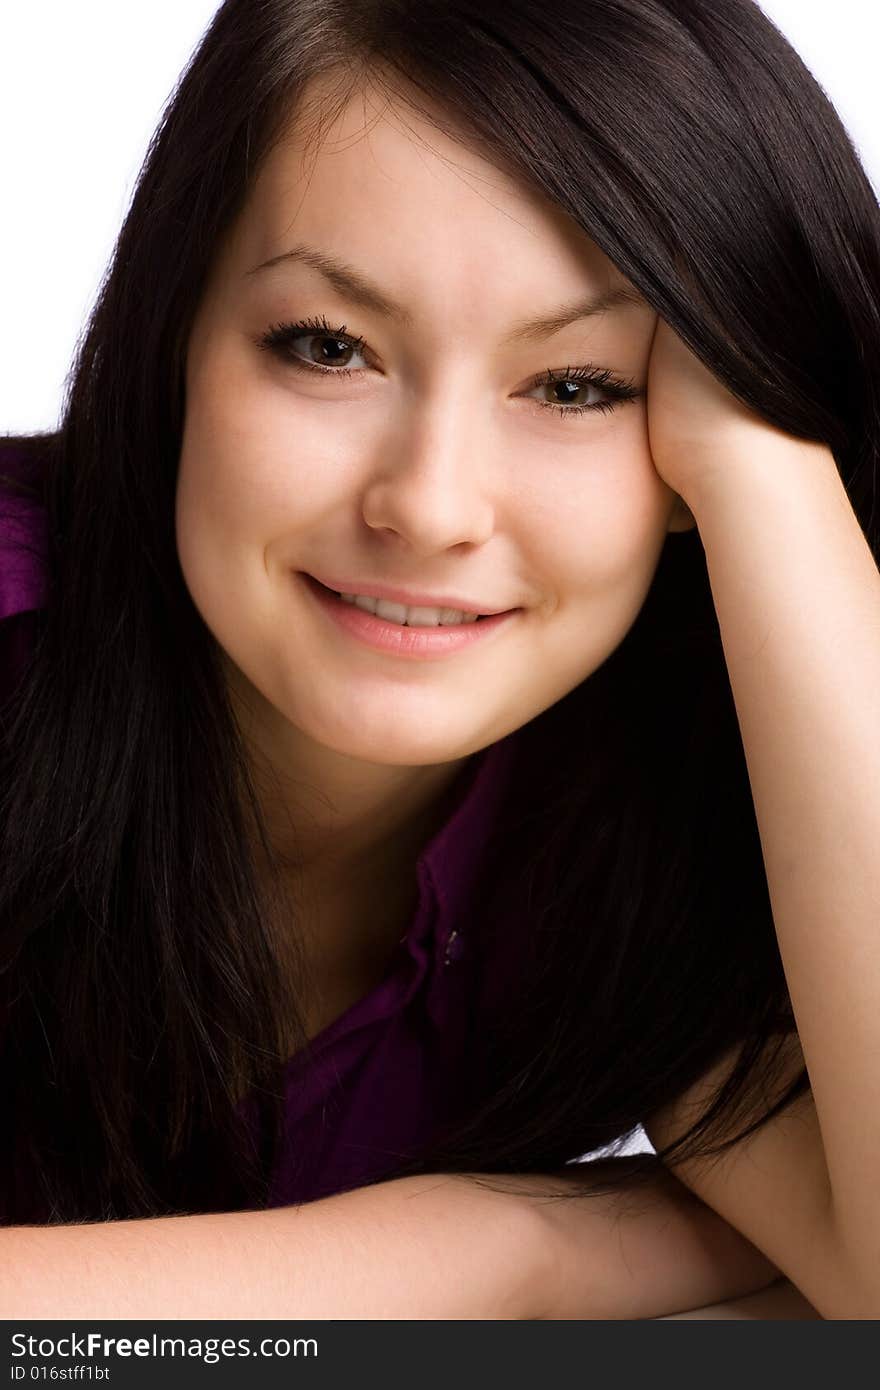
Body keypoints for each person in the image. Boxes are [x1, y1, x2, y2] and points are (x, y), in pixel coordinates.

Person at [0, 0, 877, 1320]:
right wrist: (516, 1249)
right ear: (175, 337)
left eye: (578, 384)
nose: (430, 504)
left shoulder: (624, 815)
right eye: (329, 347)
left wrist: (769, 468)